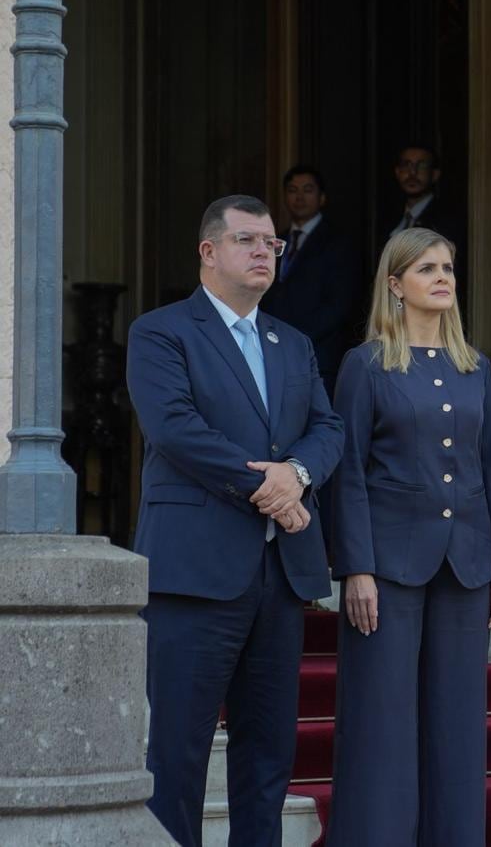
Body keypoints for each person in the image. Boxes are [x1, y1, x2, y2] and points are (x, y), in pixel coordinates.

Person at [126, 194, 344, 846]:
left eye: (272, 244)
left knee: (268, 753)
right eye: (248, 240)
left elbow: (326, 428)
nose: (262, 253)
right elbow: (175, 429)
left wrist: (297, 476)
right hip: (194, 573)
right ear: (209, 251)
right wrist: (269, 485)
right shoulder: (161, 332)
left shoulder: (292, 342)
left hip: (278, 578)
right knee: (179, 753)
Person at [324, 227, 491, 846]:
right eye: (427, 268)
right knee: (381, 723)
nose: (443, 278)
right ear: (395, 285)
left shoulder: (475, 367)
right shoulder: (366, 364)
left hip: (465, 564)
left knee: (457, 725)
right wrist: (355, 567)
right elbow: (347, 470)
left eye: (448, 268)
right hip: (387, 567)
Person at [259, 164, 362, 398]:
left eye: (307, 190)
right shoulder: (275, 240)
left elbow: (339, 305)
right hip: (272, 353)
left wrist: (294, 338)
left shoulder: (339, 243)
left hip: (319, 355)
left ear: (322, 197)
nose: (299, 197)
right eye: (293, 190)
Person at [388, 144, 467, 315]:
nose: (412, 173)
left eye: (421, 165)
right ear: (397, 171)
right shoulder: (388, 218)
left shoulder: (447, 221)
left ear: (435, 174)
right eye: (406, 165)